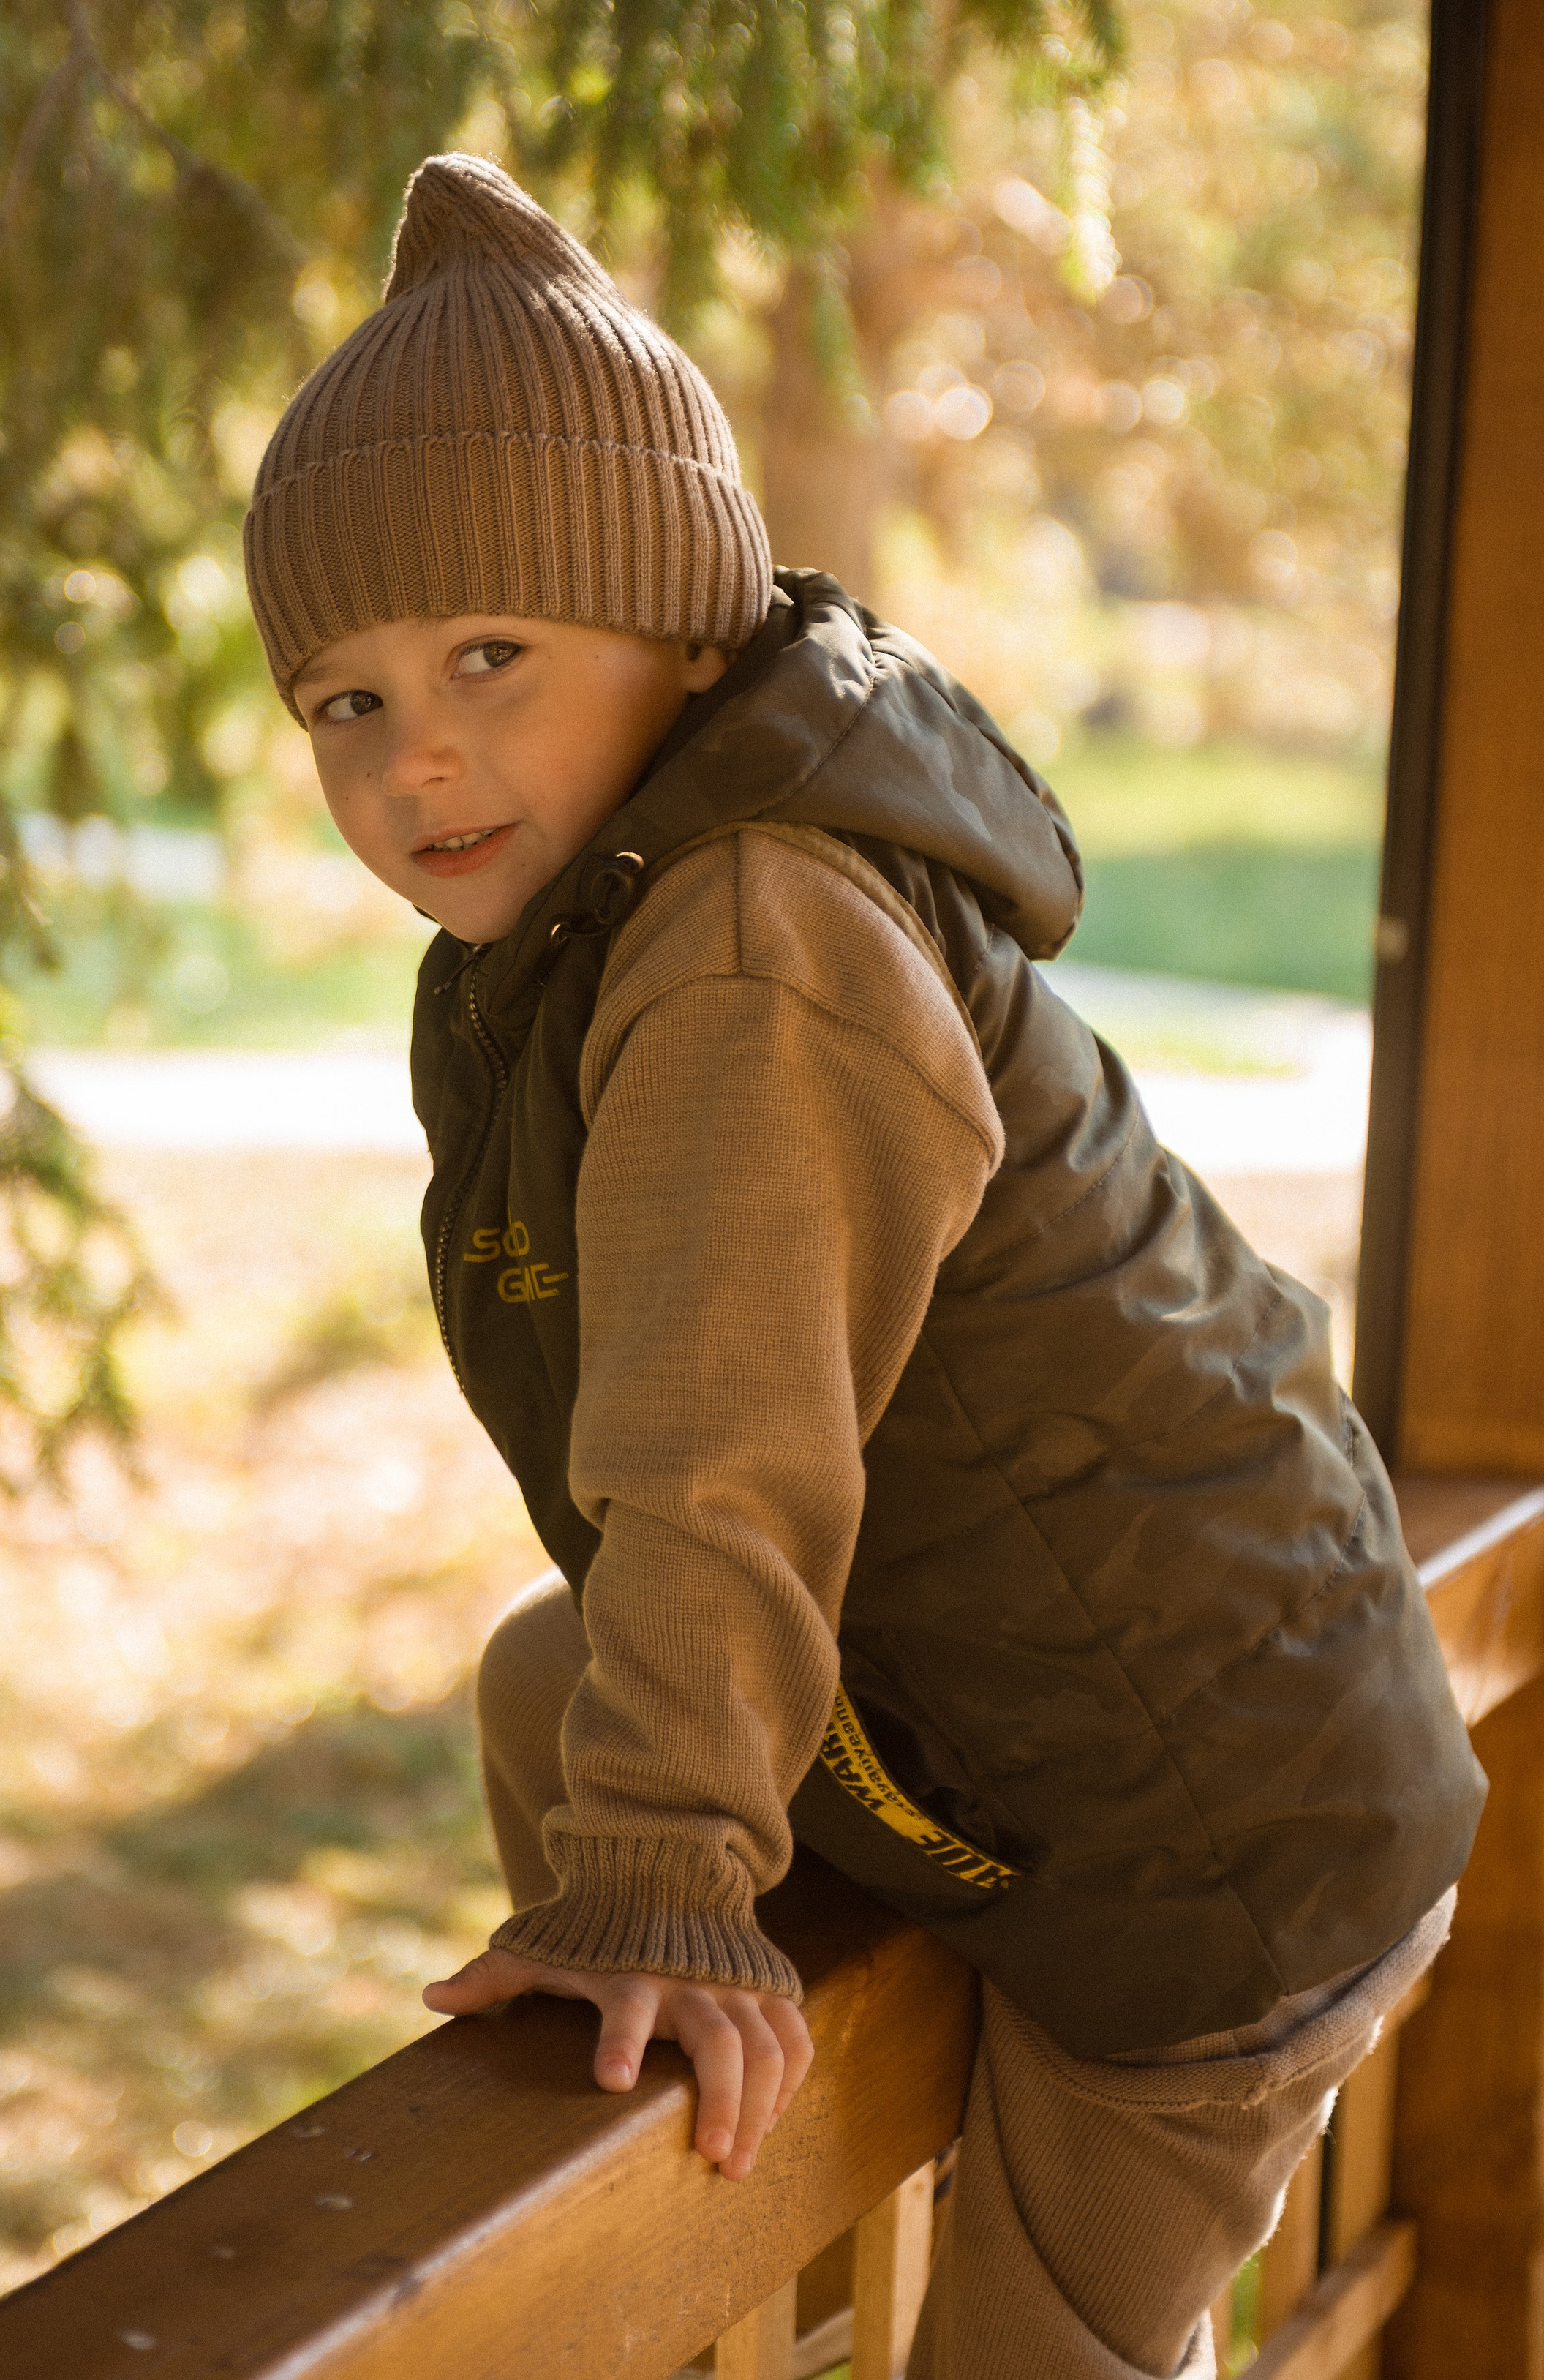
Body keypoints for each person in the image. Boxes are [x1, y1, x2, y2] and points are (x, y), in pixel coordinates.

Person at [242, 152, 1482, 2378]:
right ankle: (775, 2243)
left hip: (1223, 1838)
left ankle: (839, 2291)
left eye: (492, 655)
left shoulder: (746, 939)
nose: (417, 749)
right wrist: (654, 1854)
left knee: (1044, 2341)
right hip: (1042, 1706)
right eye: (345, 700)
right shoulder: (587, 927)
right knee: (561, 1682)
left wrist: (654, 1882)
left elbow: (720, 1457)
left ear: (691, 637)